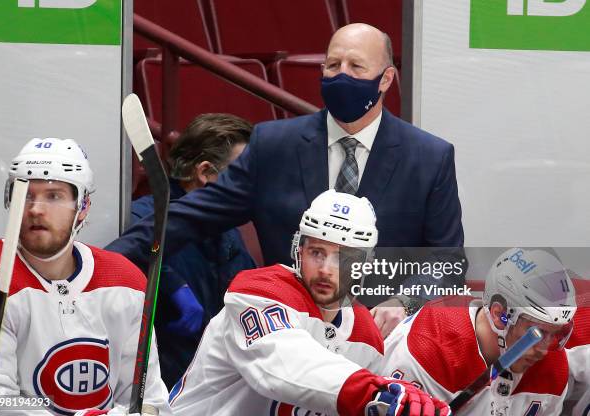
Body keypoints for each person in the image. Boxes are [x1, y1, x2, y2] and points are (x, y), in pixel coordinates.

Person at [105, 23, 464, 335]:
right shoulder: (274, 145)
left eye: (356, 67)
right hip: (284, 336)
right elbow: (189, 217)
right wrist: (100, 265)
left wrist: (403, 301)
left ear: (385, 79)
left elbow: (447, 261)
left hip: (379, 343)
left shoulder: (429, 158)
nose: (341, 75)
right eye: (332, 65)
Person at [168, 190, 450, 416]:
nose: (326, 268)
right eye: (317, 252)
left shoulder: (367, 336)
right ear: (298, 250)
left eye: (344, 257)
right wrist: (374, 392)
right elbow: (282, 367)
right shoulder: (259, 290)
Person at [0, 138, 171, 415]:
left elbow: (150, 400)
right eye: (27, 195)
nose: (35, 209)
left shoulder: (126, 281)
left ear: (82, 207)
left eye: (53, 196)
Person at [131, 113, 256, 388]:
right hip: (161, 387)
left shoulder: (225, 227)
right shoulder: (143, 216)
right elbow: (123, 257)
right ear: (206, 173)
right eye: (244, 172)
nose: (254, 183)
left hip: (213, 382)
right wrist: (171, 284)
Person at [381, 248, 577, 415]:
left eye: (556, 334)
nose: (544, 350)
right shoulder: (429, 347)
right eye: (538, 333)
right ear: (499, 315)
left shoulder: (553, 367)